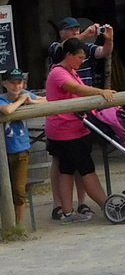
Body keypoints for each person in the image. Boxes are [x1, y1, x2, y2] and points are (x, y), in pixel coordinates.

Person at [45, 38, 115, 223]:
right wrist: (100, 91)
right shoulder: (58, 73)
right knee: (86, 169)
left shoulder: (71, 71)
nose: (82, 61)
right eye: (79, 57)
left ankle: (68, 212)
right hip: (66, 129)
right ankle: (106, 204)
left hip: (74, 127)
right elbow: (76, 89)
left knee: (66, 169)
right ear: (68, 55)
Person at [1, 68, 40, 221]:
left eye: (19, 83)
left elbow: (46, 101)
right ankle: (8, 222)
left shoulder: (26, 95)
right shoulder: (3, 99)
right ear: (4, 83)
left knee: (19, 189)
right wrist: (21, 101)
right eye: (12, 83)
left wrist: (31, 101)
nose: (16, 86)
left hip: (22, 150)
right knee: (5, 188)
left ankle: (19, 223)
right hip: (4, 151)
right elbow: (8, 110)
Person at [46, 16, 112, 87]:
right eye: (71, 30)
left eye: (77, 29)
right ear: (61, 33)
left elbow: (104, 52)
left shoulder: (86, 47)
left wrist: (109, 39)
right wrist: (84, 35)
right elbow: (67, 45)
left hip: (87, 91)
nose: (75, 32)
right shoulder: (55, 46)